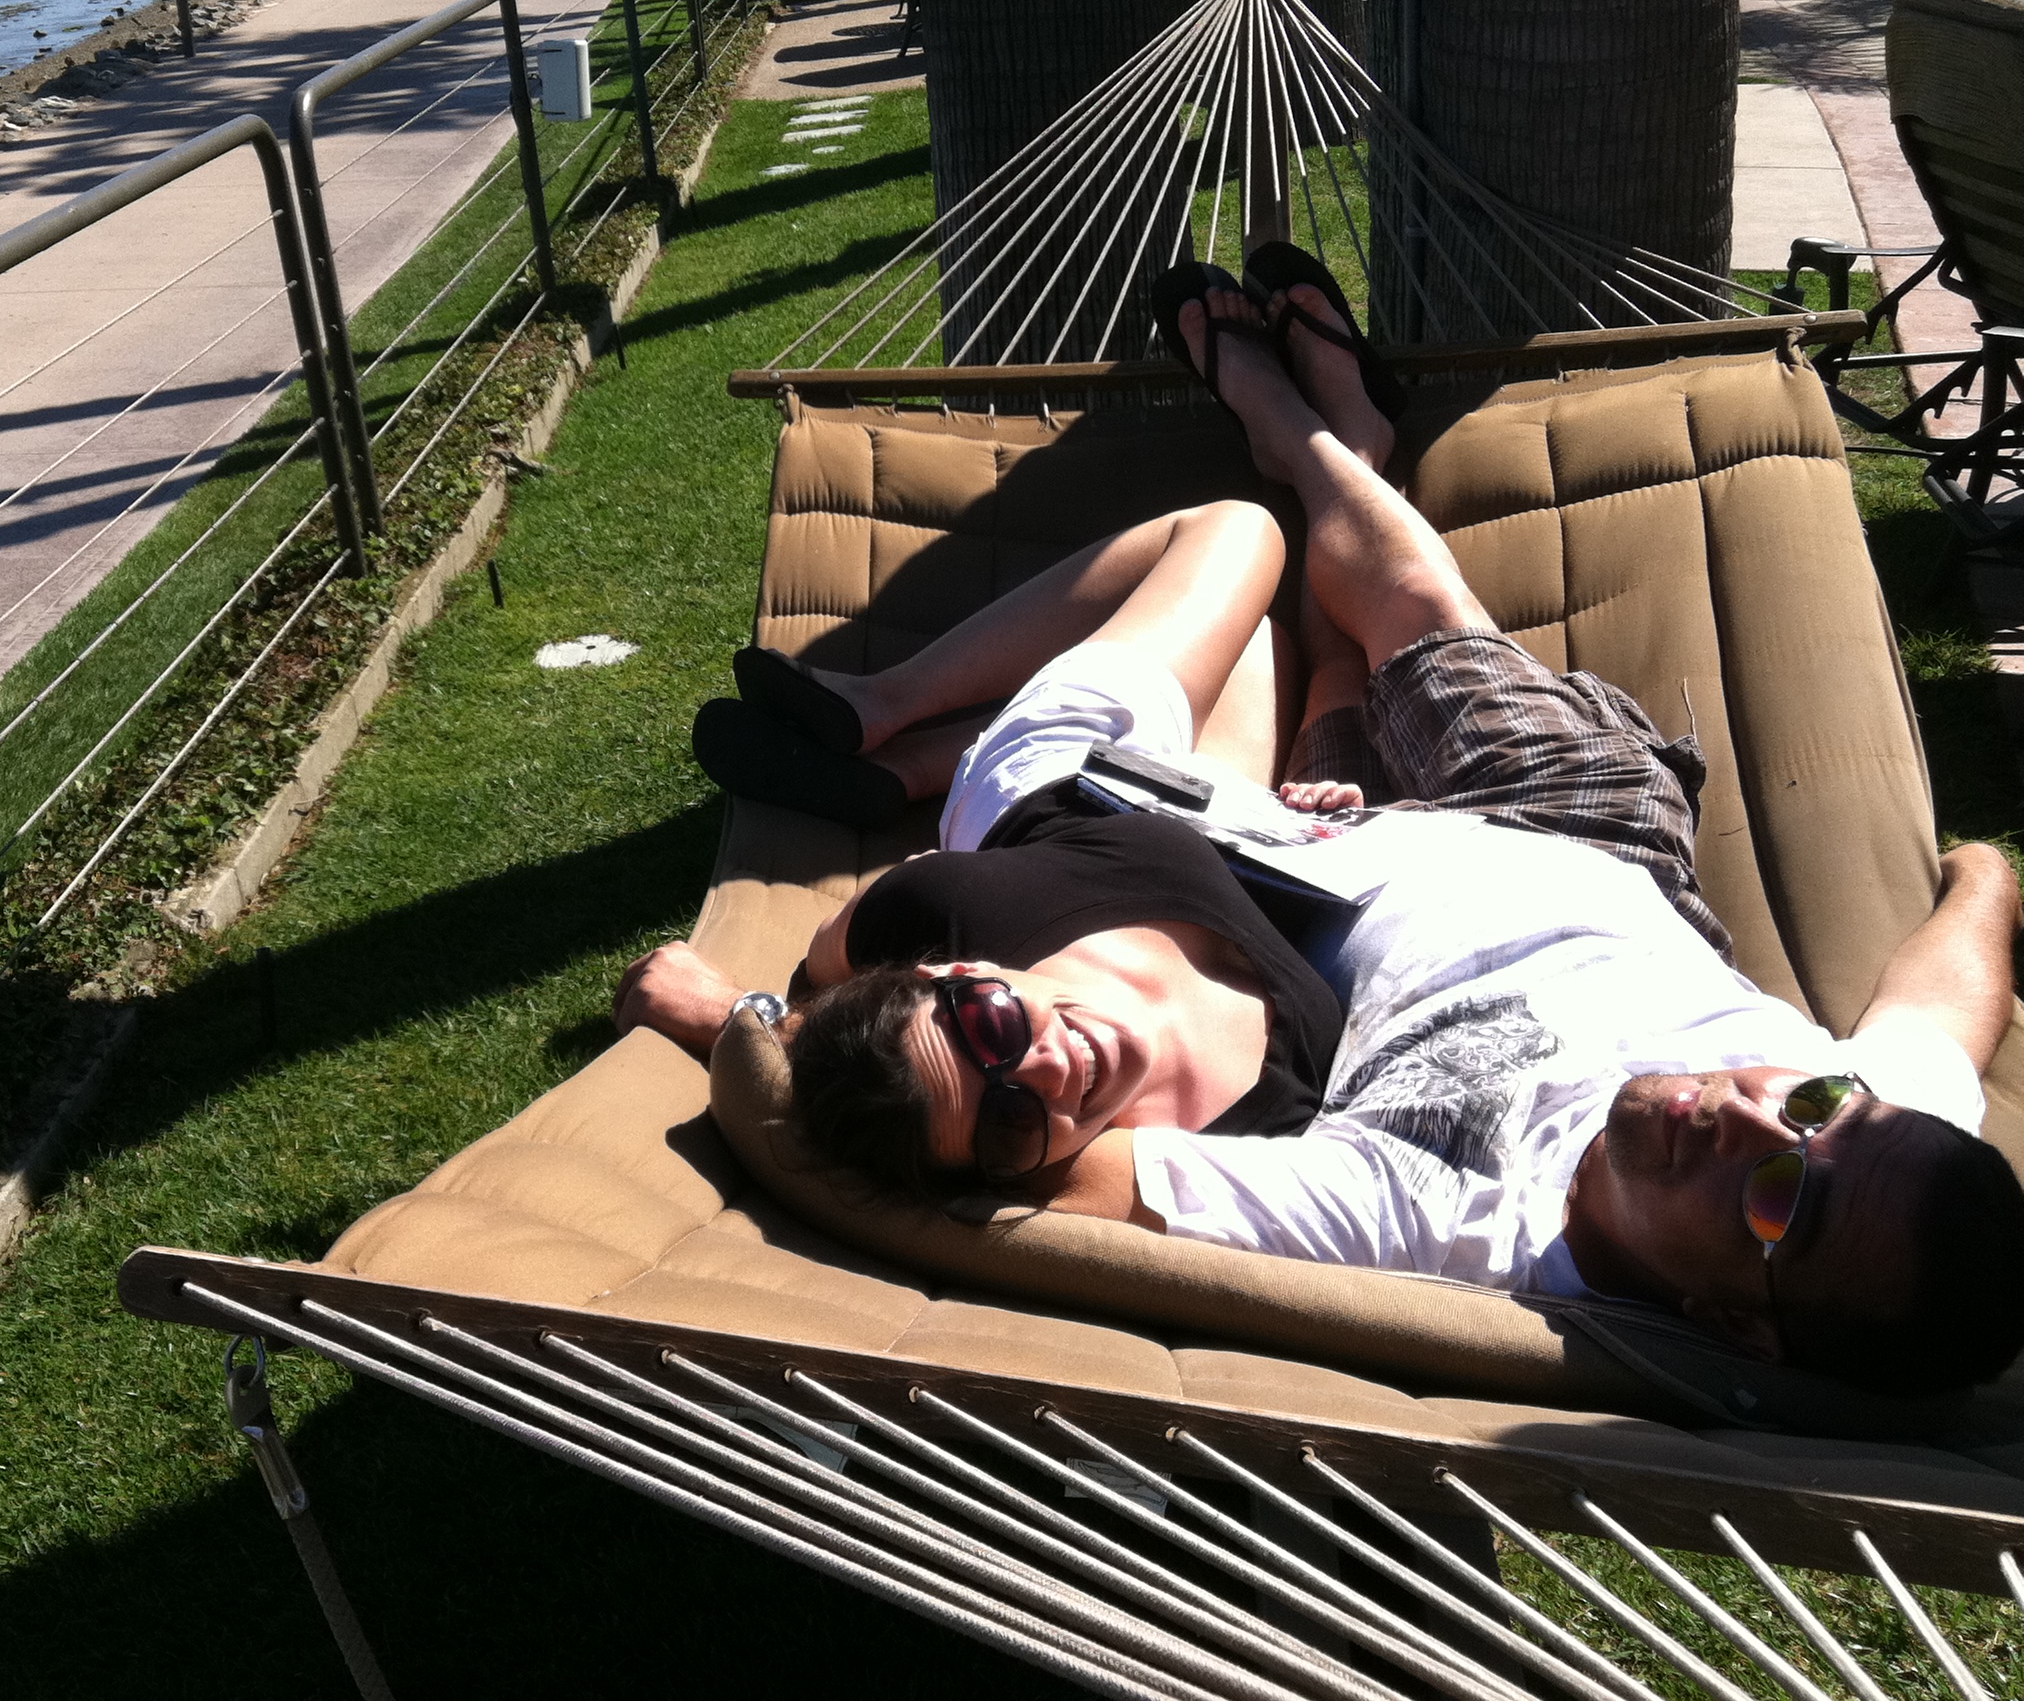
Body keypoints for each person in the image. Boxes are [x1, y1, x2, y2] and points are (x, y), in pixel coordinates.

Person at [619, 258, 2024, 1396]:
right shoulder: (1879, 1132)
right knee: (1418, 618)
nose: (1750, 1110)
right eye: (1813, 1105)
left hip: (1312, 871)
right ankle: (1314, 438)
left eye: (1780, 1198)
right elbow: (1941, 1011)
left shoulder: (1456, 1233)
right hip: (1583, 837)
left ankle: (1310, 437)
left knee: (1317, 646)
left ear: (1742, 1332)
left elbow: (1002, 1162)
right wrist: (1979, 864)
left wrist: (744, 1027)